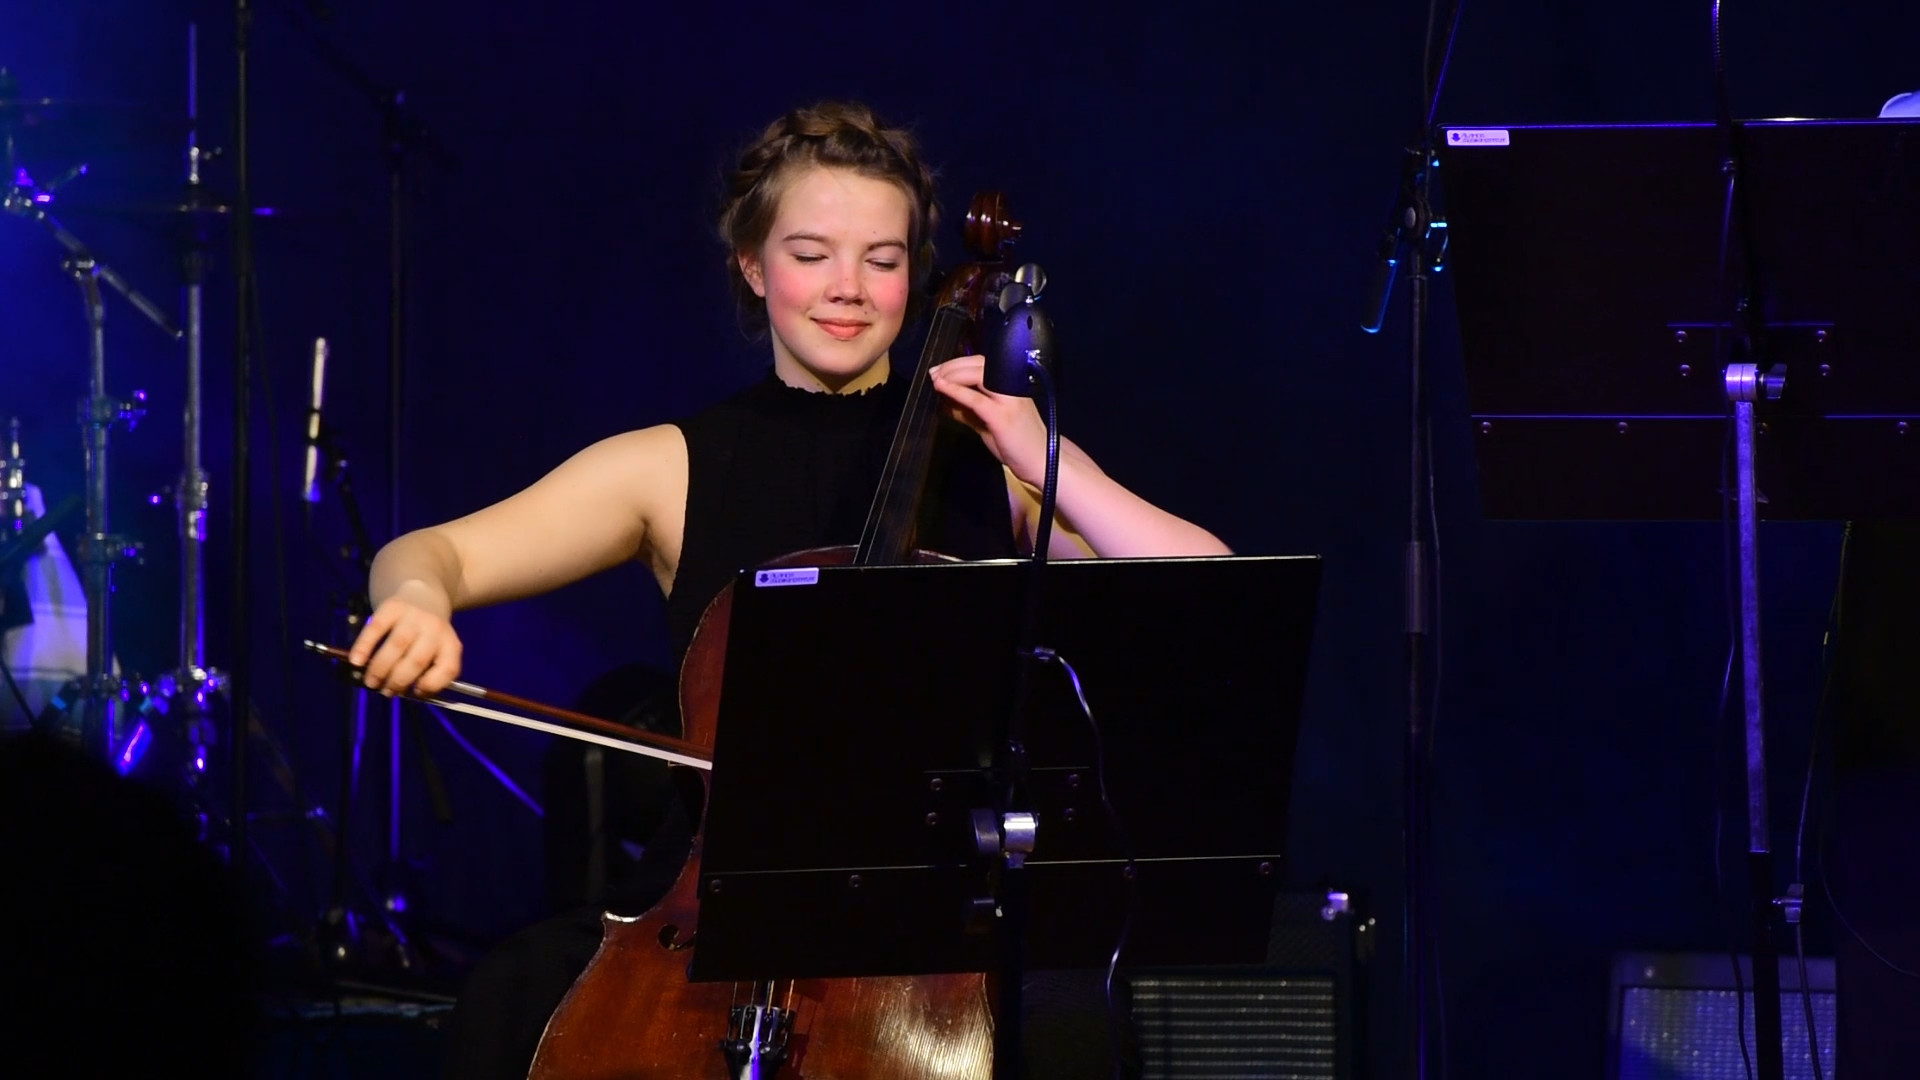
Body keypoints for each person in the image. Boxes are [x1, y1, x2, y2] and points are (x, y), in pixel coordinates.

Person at [348, 100, 1231, 1078]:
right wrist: (417, 600)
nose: (847, 287)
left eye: (882, 260)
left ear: (916, 276)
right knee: (513, 997)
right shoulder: (670, 468)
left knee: (1074, 1027)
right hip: (716, 908)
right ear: (753, 265)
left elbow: (1212, 592)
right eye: (811, 254)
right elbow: (433, 552)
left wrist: (1055, 462)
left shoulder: (989, 457)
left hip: (945, 909)